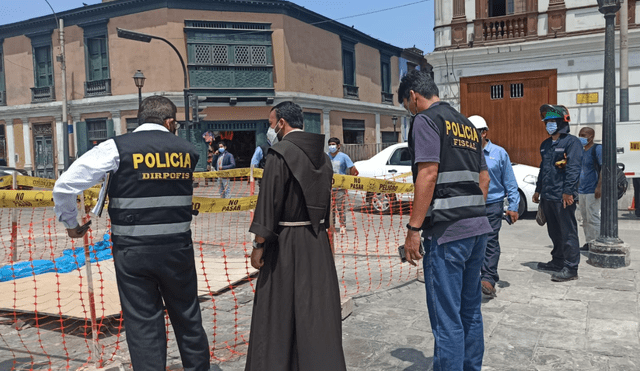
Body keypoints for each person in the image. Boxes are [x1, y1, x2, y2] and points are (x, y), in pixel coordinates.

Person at [52, 96, 210, 371]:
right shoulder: (188, 150)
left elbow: (64, 186)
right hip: (177, 250)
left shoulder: (116, 147)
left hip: (133, 252)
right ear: (170, 122)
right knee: (188, 318)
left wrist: (71, 224)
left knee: (143, 323)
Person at [399, 70, 492, 371]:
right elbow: (483, 177)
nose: (408, 110)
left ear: (413, 96)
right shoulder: (466, 124)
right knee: (470, 312)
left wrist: (414, 229)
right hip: (477, 228)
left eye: (406, 105)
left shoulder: (426, 120)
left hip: (447, 233)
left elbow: (427, 173)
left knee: (447, 317)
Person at [245, 101, 347, 371]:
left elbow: (269, 202)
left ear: (281, 123)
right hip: (317, 241)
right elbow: (325, 205)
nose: (270, 129)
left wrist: (258, 244)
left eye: (270, 124)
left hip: (286, 243)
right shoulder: (324, 158)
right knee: (314, 309)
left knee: (278, 309)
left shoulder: (279, 154)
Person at [468, 115, 520, 297]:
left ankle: (488, 279)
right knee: (470, 241)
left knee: (490, 241)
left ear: (484, 133)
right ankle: (471, 277)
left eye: (474, 133)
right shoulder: (464, 152)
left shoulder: (499, 153)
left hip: (492, 205)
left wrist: (513, 206)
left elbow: (510, 181)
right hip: (469, 205)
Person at [533, 104, 583, 282]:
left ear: (562, 122)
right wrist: (538, 190)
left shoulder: (572, 143)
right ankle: (558, 260)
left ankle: (571, 268)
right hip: (548, 195)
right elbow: (543, 168)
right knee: (554, 231)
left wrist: (568, 192)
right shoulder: (545, 145)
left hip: (563, 197)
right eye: (546, 122)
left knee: (568, 232)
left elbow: (573, 169)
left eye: (552, 121)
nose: (548, 125)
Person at [577, 127, 602, 250]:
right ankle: (589, 242)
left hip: (593, 190)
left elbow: (604, 168)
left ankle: (597, 243)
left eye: (583, 135)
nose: (581, 137)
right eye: (580, 134)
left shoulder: (597, 149)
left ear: (591, 137)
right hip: (581, 190)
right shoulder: (581, 151)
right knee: (584, 219)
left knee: (593, 217)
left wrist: (599, 186)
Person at [327, 137, 358, 233]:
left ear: (338, 146)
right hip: (329, 187)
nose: (331, 146)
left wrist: (349, 181)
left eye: (333, 144)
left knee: (340, 208)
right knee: (330, 208)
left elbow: (353, 169)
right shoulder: (326, 156)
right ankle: (331, 226)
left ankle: (342, 225)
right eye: (330, 144)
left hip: (340, 187)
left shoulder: (344, 157)